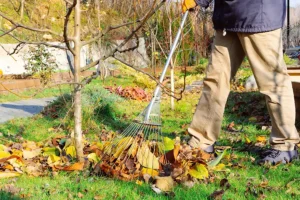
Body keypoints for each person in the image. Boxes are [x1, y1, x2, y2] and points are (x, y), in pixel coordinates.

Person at [182, 0, 299, 164]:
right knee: (215, 81)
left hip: (258, 14)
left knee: (273, 83)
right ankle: (201, 141)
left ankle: (285, 144)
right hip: (228, 16)